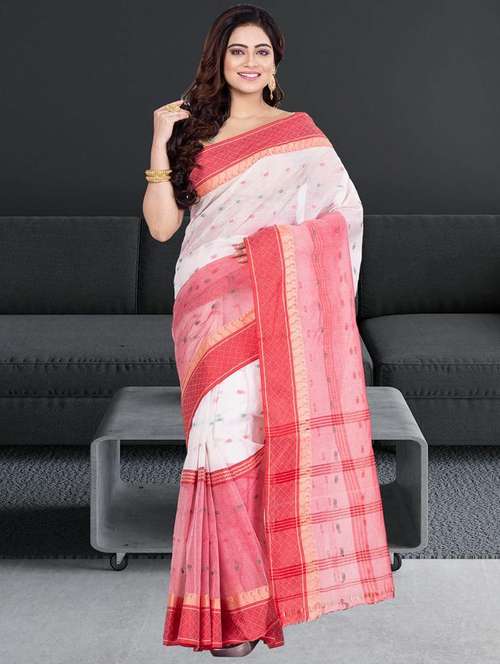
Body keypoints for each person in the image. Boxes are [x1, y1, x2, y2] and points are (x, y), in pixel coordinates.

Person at [142, 4, 395, 657]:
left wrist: (269, 250)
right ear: (219, 60)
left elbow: (344, 217)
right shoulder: (192, 133)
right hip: (205, 306)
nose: (249, 62)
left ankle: (255, 605)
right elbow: (164, 228)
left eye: (261, 51)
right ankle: (230, 608)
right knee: (214, 444)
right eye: (238, 51)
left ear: (276, 63)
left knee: (255, 441)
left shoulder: (300, 134)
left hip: (272, 298)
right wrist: (159, 140)